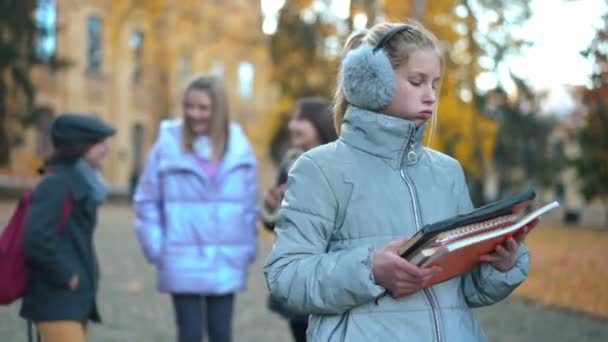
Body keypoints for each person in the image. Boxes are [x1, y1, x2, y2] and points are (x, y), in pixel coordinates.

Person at [264, 20, 539, 341]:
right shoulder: (319, 169)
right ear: (370, 82)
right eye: (417, 81)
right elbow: (286, 278)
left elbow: (464, 290)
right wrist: (371, 270)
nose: (430, 96)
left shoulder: (447, 172)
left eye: (435, 84)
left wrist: (499, 264)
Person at [133, 75, 258, 342]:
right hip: (181, 258)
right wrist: (158, 248)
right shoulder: (167, 146)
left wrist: (246, 248)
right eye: (189, 106)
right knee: (188, 335)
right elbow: (146, 201)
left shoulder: (240, 149)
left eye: (203, 108)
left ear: (219, 109)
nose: (194, 114)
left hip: (225, 259)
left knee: (222, 335)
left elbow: (249, 205)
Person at [20, 113, 116, 342]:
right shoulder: (58, 183)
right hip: (56, 299)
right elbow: (35, 239)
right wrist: (67, 275)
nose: (107, 148)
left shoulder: (82, 182)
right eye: (99, 142)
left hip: (73, 300)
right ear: (79, 145)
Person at [260, 97, 337, 342]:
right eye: (293, 119)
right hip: (297, 271)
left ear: (320, 123)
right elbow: (274, 225)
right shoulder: (290, 163)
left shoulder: (338, 164)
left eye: (301, 119)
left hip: (330, 272)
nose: (293, 125)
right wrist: (272, 207)